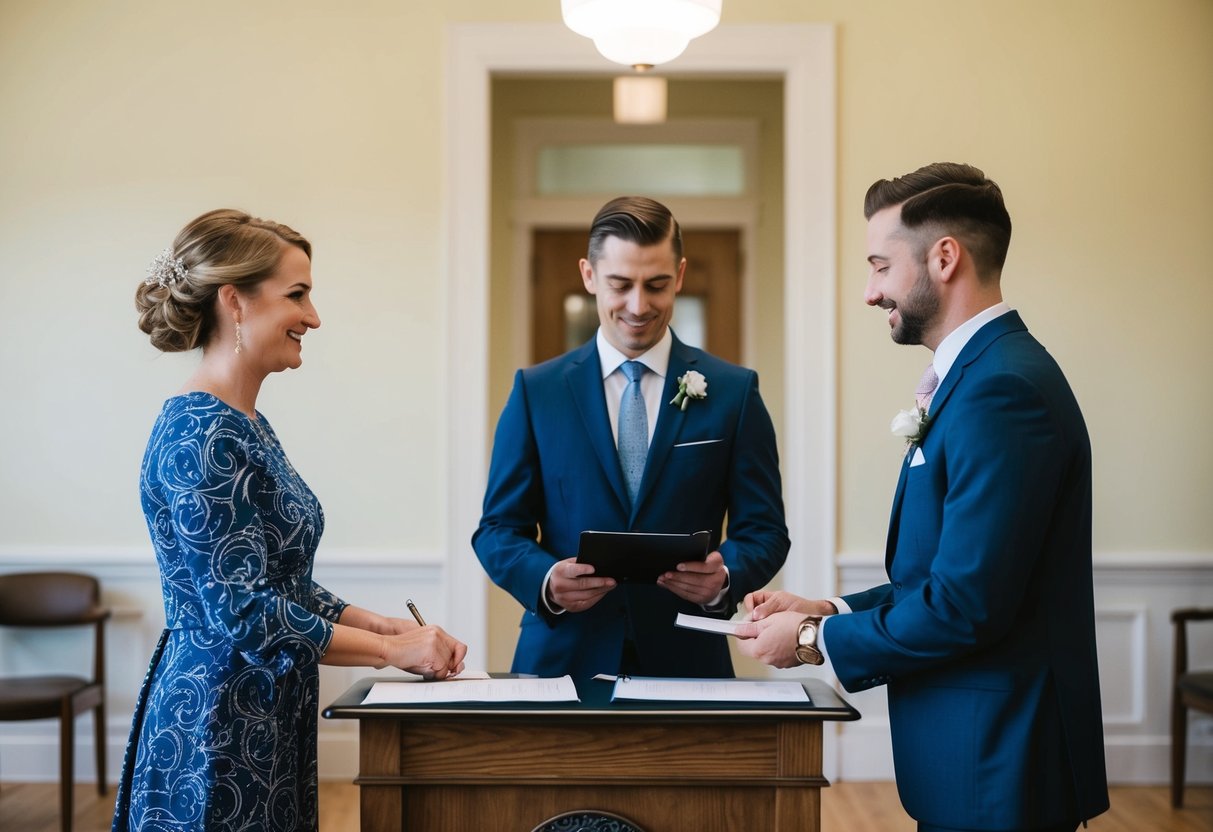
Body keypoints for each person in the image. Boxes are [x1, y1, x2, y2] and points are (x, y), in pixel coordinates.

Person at [735, 163, 1109, 831]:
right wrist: (828, 605)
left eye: (880, 266)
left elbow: (966, 605)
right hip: (973, 752)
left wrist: (816, 638)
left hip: (998, 758)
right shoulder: (979, 376)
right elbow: (946, 576)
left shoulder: (1002, 390)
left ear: (943, 258)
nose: (868, 292)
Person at [114, 209, 467, 831]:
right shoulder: (199, 433)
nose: (313, 317)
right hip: (216, 725)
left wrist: (381, 623)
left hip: (268, 709)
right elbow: (245, 612)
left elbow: (282, 585)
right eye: (297, 295)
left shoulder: (246, 425)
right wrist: (391, 648)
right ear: (236, 302)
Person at [473, 196, 789, 679]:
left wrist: (724, 576)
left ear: (680, 276)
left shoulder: (734, 392)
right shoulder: (536, 392)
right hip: (562, 660)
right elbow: (497, 530)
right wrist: (546, 581)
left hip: (688, 661)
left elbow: (765, 531)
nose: (638, 306)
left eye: (656, 285)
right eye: (620, 285)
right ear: (589, 276)